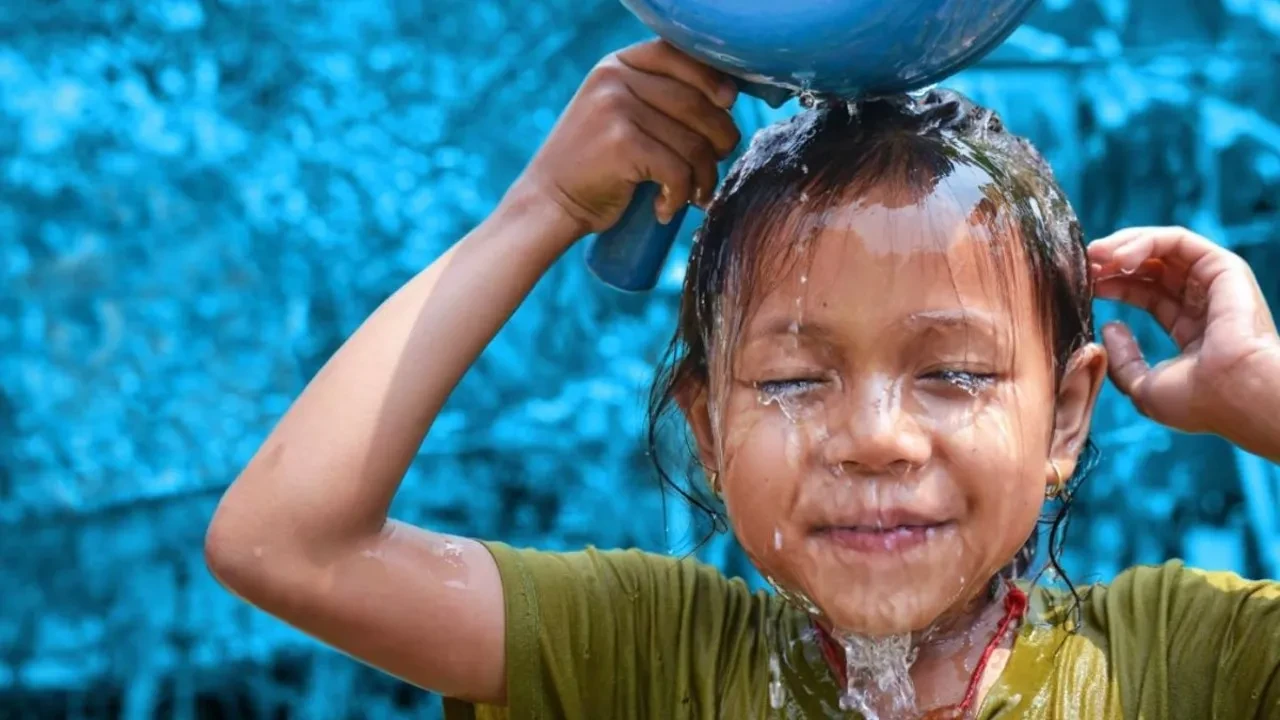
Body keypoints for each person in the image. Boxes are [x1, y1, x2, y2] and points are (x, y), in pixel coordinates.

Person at [203, 40, 1280, 719]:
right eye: (792, 382)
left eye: (950, 372)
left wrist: (1259, 391)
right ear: (705, 434)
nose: (873, 437)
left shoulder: (1185, 665)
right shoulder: (642, 657)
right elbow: (287, 544)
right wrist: (538, 208)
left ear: (1063, 419)